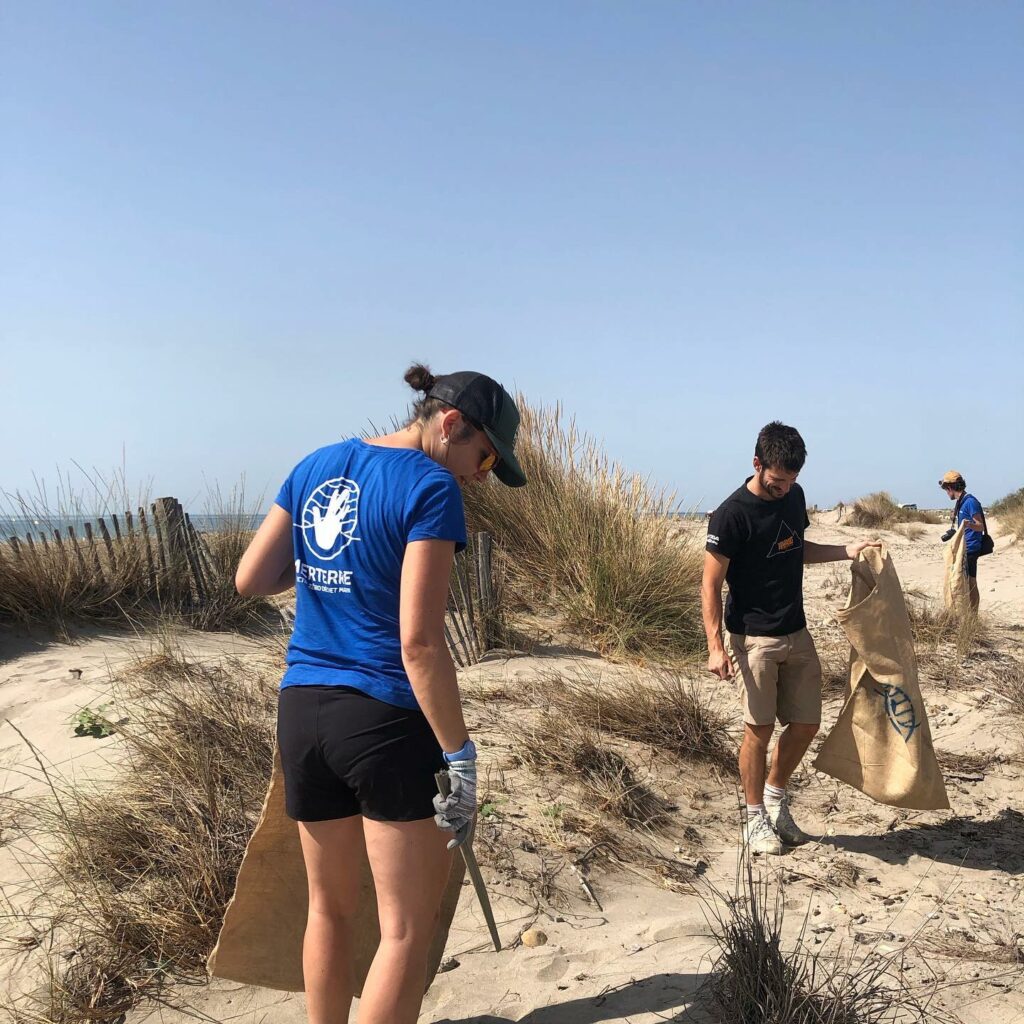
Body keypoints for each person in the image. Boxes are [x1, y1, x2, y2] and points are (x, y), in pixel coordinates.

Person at [235, 364, 526, 1024]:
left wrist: (324, 567)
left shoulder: (316, 463)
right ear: (449, 424)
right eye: (484, 457)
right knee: (403, 931)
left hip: (303, 710)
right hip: (385, 722)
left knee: (328, 910)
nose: (481, 475)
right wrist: (460, 755)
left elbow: (251, 577)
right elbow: (420, 645)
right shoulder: (430, 487)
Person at [701, 422, 878, 855]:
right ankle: (754, 816)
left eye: (791, 482)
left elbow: (797, 548)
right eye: (777, 481)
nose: (784, 489)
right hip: (753, 638)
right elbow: (709, 584)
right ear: (757, 464)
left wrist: (845, 551)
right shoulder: (731, 514)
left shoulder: (794, 497)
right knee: (758, 731)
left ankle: (777, 801)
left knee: (806, 724)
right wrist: (715, 646)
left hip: (796, 632)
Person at [939, 470, 986, 612]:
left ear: (950, 487)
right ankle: (964, 613)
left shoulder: (970, 502)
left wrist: (968, 524)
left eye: (946, 490)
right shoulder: (960, 502)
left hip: (971, 548)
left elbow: (980, 526)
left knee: (971, 583)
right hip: (963, 549)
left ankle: (973, 617)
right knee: (962, 582)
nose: (947, 493)